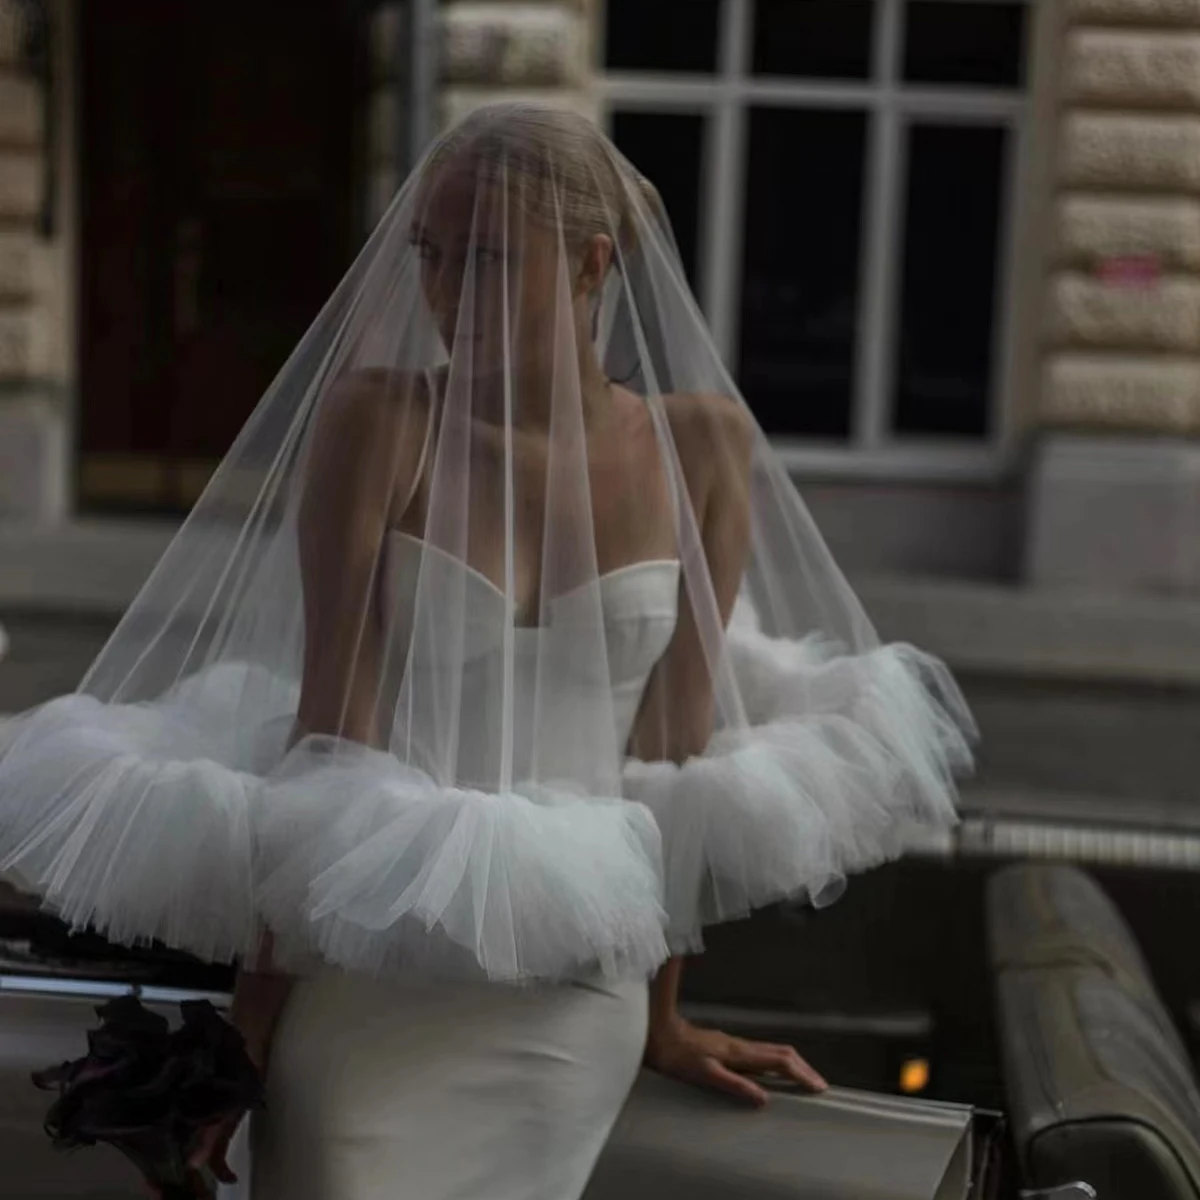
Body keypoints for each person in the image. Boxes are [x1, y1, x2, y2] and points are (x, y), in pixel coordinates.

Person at [0, 103, 974, 1200]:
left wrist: (663, 1020)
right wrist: (246, 1044)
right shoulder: (379, 423)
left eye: (492, 256)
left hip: (569, 1009)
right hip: (372, 980)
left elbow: (679, 765)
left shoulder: (703, 444)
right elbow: (328, 744)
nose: (448, 290)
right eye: (432, 252)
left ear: (594, 263)